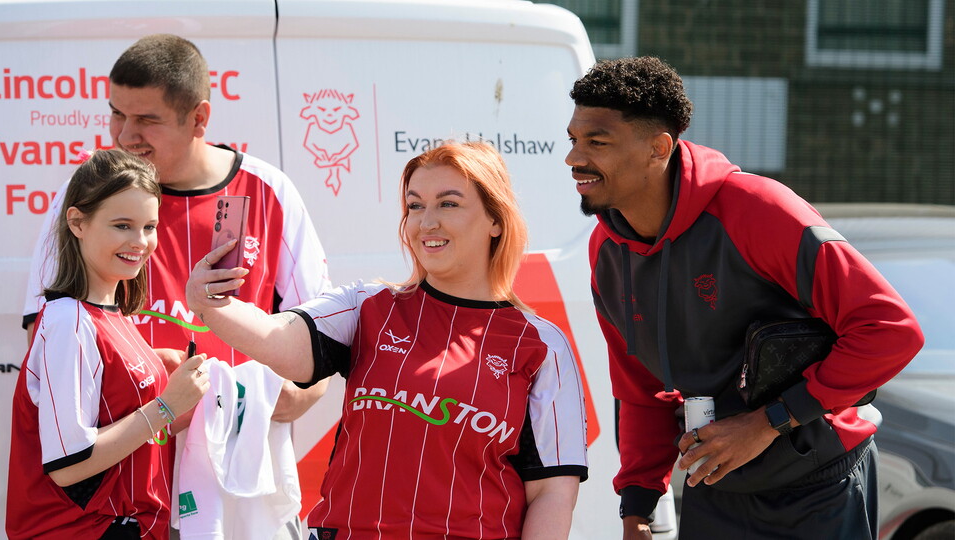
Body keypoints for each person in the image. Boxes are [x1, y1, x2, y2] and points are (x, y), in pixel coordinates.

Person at [565, 56, 924, 539]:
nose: (573, 158)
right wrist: (638, 503)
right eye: (573, 140)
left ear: (658, 148)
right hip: (715, 487)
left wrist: (769, 421)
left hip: (819, 484)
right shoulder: (606, 251)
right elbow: (641, 390)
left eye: (597, 142)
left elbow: (890, 331)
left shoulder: (758, 210)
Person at [183, 141, 589, 539]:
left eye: (448, 203)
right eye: (415, 205)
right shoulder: (366, 306)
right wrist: (211, 304)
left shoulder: (541, 344)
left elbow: (552, 491)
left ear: (495, 220)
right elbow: (280, 341)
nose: (426, 222)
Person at [21, 34, 332, 537]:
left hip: (237, 481)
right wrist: (157, 404)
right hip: (125, 490)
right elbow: (46, 336)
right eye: (116, 114)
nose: (124, 134)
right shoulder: (85, 194)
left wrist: (301, 393)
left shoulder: (269, 190)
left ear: (199, 119)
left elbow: (321, 332)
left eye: (146, 119)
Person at [7, 149, 210, 539]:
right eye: (122, 225)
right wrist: (166, 405)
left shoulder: (111, 314)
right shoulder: (68, 318)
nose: (140, 241)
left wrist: (156, 374)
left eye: (149, 226)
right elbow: (69, 464)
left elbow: (122, 427)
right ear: (77, 222)